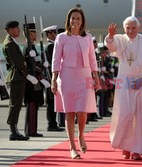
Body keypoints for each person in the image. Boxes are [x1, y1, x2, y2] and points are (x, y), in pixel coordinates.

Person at [104, 16, 142, 160]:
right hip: (124, 84)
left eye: (133, 28)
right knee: (124, 115)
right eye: (128, 28)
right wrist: (110, 35)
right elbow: (111, 45)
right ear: (124, 29)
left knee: (140, 117)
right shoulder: (121, 39)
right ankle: (125, 147)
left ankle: (137, 150)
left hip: (141, 84)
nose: (130, 31)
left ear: (138, 28)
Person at [51, 7, 100, 159]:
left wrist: (96, 78)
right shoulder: (61, 37)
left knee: (83, 111)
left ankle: (81, 135)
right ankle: (72, 147)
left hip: (84, 76)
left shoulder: (88, 38)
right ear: (68, 20)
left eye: (78, 18)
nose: (75, 21)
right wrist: (54, 79)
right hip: (67, 77)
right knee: (70, 111)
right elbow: (56, 59)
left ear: (82, 21)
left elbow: (93, 59)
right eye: (73, 18)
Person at [2, 21, 38, 141]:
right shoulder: (9, 44)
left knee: (17, 105)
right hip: (16, 78)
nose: (18, 30)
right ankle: (13, 131)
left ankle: (15, 130)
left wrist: (28, 58)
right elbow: (18, 63)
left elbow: (21, 60)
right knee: (15, 105)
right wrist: (27, 75)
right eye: (16, 28)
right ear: (10, 30)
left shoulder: (12, 42)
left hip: (18, 77)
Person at [23, 23, 50, 137]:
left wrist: (42, 65)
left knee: (35, 106)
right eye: (33, 33)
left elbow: (35, 63)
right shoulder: (27, 47)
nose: (35, 35)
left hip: (36, 80)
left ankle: (33, 129)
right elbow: (27, 65)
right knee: (32, 106)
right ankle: (30, 131)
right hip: (31, 82)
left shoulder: (33, 47)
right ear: (28, 34)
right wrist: (37, 68)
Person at [43, 25, 64, 132]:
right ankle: (51, 124)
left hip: (53, 78)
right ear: (49, 34)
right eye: (54, 33)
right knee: (51, 102)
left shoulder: (53, 46)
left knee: (53, 101)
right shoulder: (50, 47)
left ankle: (53, 123)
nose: (56, 35)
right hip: (50, 78)